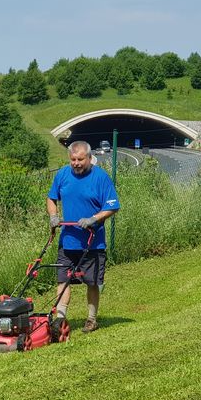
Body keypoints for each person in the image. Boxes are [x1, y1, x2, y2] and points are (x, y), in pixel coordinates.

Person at [47, 140, 121, 333]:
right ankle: (60, 320)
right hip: (68, 241)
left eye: (80, 159)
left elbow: (113, 206)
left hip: (93, 243)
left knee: (92, 282)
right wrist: (53, 216)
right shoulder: (63, 174)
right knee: (62, 280)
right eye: (73, 159)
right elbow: (51, 198)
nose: (76, 163)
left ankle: (91, 319)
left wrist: (93, 219)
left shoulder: (100, 177)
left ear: (89, 158)